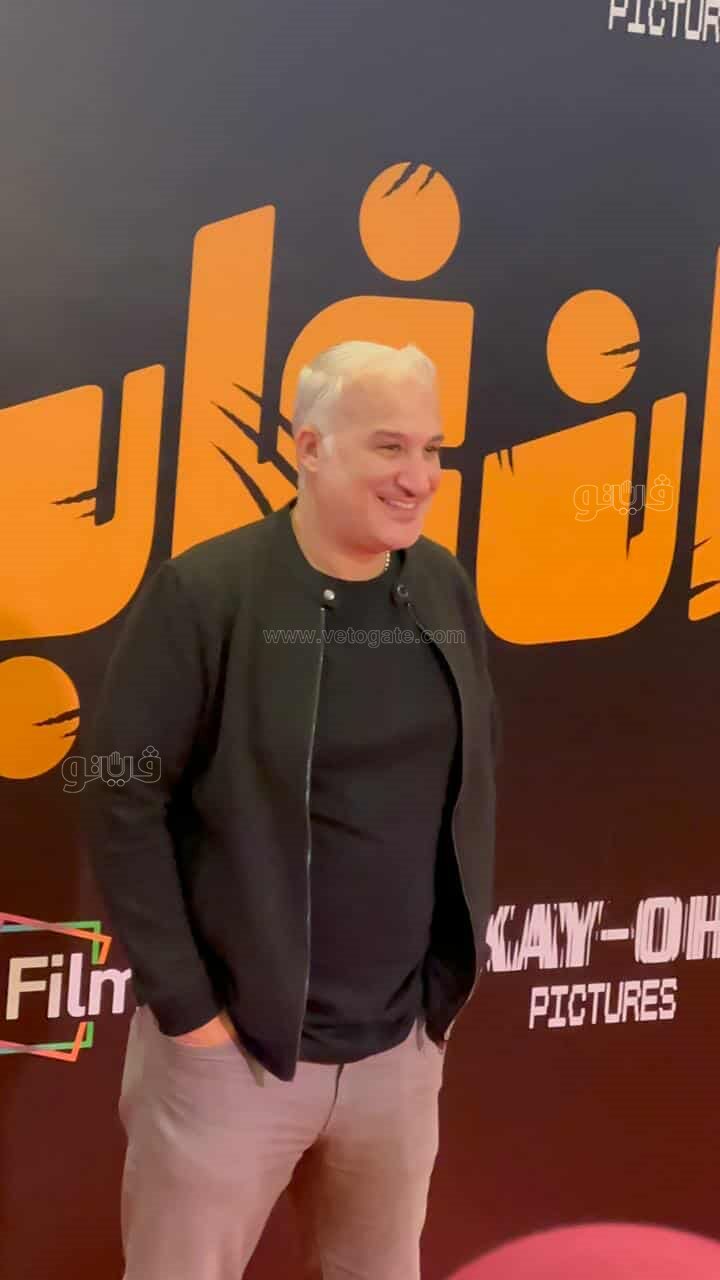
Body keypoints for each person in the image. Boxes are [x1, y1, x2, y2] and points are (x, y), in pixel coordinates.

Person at [84, 340, 499, 1280]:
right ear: (308, 448)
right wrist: (189, 1014)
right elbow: (119, 794)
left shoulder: (441, 586)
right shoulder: (208, 593)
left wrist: (433, 1009)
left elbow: (471, 782)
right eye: (389, 446)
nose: (419, 477)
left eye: (432, 449)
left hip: (399, 1055)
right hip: (230, 1057)